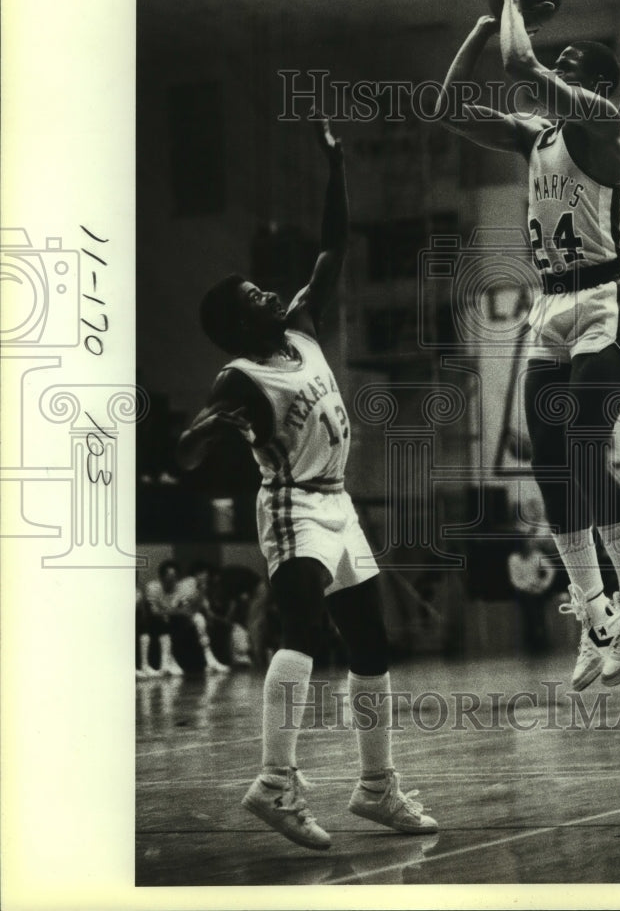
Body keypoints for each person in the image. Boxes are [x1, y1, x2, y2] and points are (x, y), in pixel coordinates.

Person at [176, 116, 437, 850]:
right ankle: (274, 781)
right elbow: (203, 430)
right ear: (236, 323)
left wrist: (336, 165)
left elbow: (333, 246)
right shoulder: (241, 375)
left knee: (371, 644)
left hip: (340, 506)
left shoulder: (299, 325)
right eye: (254, 294)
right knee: (303, 631)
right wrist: (196, 442)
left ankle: (378, 789)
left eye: (264, 289)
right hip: (292, 506)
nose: (268, 294)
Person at [436, 0, 620, 691]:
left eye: (571, 63)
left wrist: (508, 0)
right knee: (548, 465)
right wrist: (480, 27)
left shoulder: (602, 125)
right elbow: (447, 108)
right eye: (557, 58)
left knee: (583, 454)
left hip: (605, 301)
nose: (555, 64)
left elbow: (521, 62)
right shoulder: (534, 139)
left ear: (596, 86)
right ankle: (596, 616)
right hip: (549, 308)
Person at [506, 536, 556, 655]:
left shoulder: (537, 555)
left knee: (537, 609)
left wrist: (543, 585)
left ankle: (539, 639)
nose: (530, 546)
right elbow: (515, 580)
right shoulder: (514, 559)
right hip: (523, 591)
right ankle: (535, 640)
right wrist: (528, 588)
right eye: (528, 544)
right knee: (530, 608)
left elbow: (551, 570)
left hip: (538, 589)